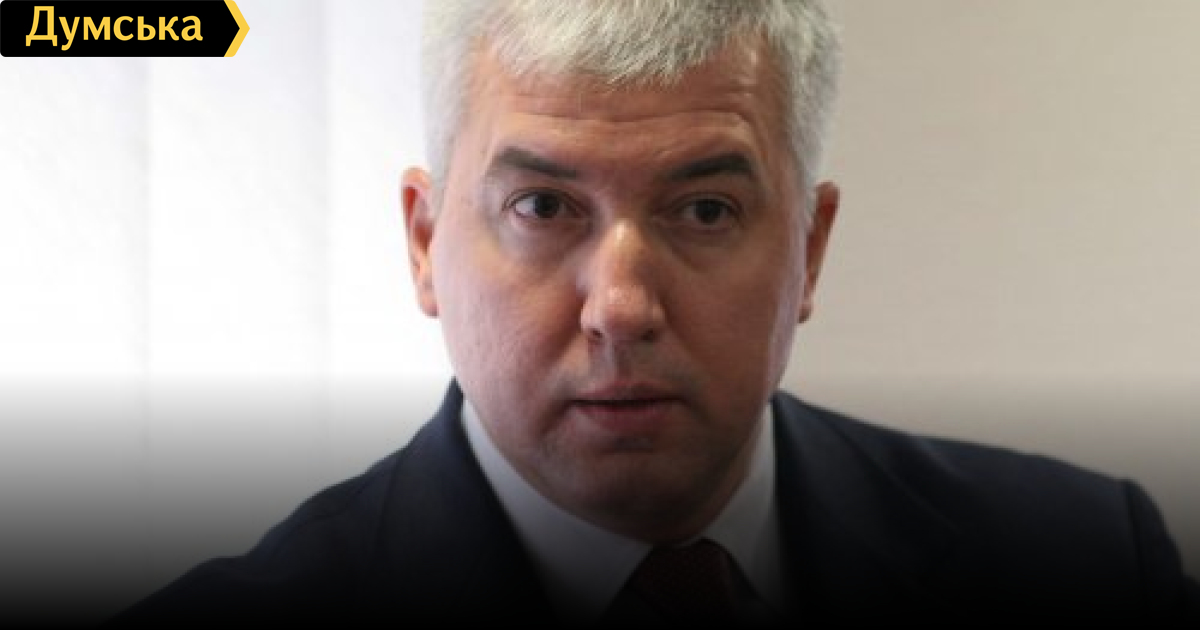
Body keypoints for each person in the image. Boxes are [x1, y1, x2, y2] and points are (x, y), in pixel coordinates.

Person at [110, 0, 1199, 626]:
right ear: (425, 243)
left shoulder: (1091, 561)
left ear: (809, 249)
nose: (621, 307)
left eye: (706, 208)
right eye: (543, 207)